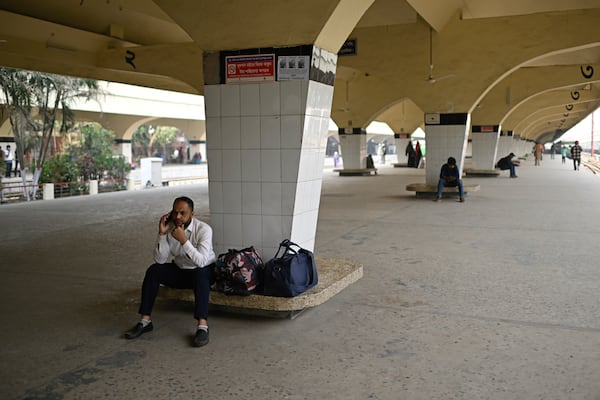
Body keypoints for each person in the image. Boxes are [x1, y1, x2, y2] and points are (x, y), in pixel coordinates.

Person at [125, 196, 217, 347]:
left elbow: (201, 261)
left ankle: (202, 326)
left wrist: (184, 241)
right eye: (175, 213)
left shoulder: (204, 229)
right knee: (154, 271)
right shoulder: (171, 228)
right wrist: (161, 234)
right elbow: (160, 260)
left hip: (204, 272)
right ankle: (145, 320)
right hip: (181, 270)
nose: (178, 217)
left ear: (192, 214)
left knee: (200, 274)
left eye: (183, 213)